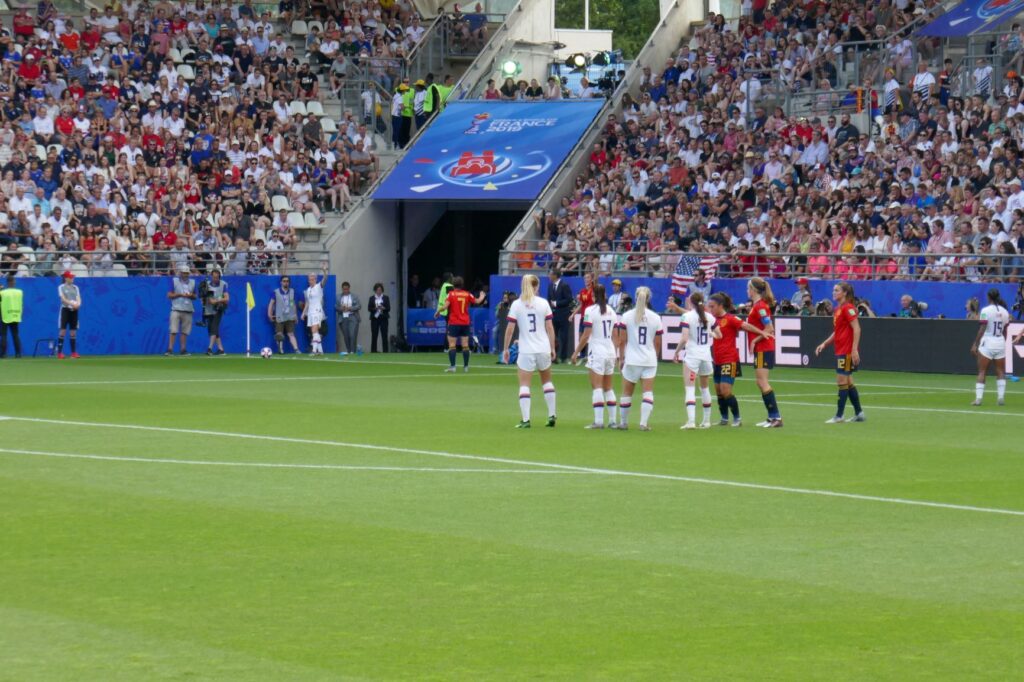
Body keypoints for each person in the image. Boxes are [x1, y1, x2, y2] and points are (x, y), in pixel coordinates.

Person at [707, 292, 770, 427]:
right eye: (709, 307)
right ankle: (724, 418)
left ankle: (737, 418)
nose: (710, 309)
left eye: (712, 306)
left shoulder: (730, 319)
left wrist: (762, 332)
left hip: (730, 359)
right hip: (717, 360)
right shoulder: (711, 320)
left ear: (720, 305)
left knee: (725, 390)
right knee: (718, 390)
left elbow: (746, 326)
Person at [502, 274, 557, 428]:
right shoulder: (543, 303)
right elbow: (550, 327)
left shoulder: (517, 305)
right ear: (536, 286)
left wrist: (506, 349)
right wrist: (552, 347)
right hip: (543, 348)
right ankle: (552, 415)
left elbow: (510, 329)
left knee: (524, 384)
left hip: (526, 350)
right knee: (547, 382)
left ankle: (526, 420)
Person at [815, 282, 866, 423]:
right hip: (841, 349)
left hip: (847, 350)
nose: (834, 292)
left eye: (837, 290)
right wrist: (824, 343)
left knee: (842, 381)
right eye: (833, 290)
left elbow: (857, 328)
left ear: (844, 293)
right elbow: (837, 332)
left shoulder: (848, 308)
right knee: (848, 381)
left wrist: (854, 349)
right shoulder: (839, 309)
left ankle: (839, 415)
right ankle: (859, 413)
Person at [570, 282, 620, 429]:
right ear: (605, 295)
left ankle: (598, 421)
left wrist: (576, 352)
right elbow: (616, 336)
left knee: (597, 387)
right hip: (610, 351)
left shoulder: (590, 311)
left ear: (592, 296)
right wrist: (615, 353)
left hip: (597, 352)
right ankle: (612, 421)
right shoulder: (612, 311)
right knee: (608, 387)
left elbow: (586, 335)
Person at [615, 286, 663, 431]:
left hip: (632, 359)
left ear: (636, 297)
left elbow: (622, 340)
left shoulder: (627, 316)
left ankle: (623, 422)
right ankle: (643, 423)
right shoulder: (655, 317)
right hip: (649, 360)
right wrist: (654, 356)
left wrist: (621, 358)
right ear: (649, 298)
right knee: (647, 392)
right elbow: (658, 342)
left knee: (626, 393)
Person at [672, 292, 721, 429]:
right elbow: (719, 334)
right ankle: (706, 421)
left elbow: (684, 338)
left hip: (692, 357)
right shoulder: (710, 317)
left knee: (690, 388)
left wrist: (676, 352)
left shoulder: (687, 316)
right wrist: (710, 334)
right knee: (705, 389)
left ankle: (691, 421)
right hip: (706, 356)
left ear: (690, 302)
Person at [747, 277, 783, 428]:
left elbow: (770, 328)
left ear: (754, 290)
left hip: (764, 347)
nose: (747, 291)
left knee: (762, 382)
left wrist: (755, 340)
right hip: (761, 348)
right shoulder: (756, 306)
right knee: (760, 382)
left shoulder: (760, 306)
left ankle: (776, 417)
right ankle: (771, 417)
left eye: (748, 288)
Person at [436, 276, 485, 372]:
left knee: (452, 345)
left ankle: (453, 366)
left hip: (454, 322)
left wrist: (438, 311)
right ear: (462, 285)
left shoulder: (451, 294)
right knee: (465, 345)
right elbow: (477, 301)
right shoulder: (467, 294)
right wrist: (482, 296)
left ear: (453, 285)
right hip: (465, 322)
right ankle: (466, 367)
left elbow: (445, 306)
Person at [971, 288, 1011, 406]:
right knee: (1000, 371)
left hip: (988, 341)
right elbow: (1005, 330)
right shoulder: (1005, 312)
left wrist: (975, 343)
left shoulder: (985, 310)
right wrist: (1003, 341)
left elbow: (982, 328)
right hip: (1000, 341)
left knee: (982, 371)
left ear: (989, 297)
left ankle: (978, 399)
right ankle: (1000, 397)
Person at [166, 267, 196, 356]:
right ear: (180, 273)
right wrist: (180, 294)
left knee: (185, 331)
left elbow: (195, 296)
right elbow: (169, 295)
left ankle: (183, 350)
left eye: (187, 273)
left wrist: (190, 295)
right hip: (176, 308)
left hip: (188, 309)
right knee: (173, 330)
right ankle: (170, 349)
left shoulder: (193, 282)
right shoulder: (174, 281)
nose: (185, 275)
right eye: (184, 273)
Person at [268, 275, 301, 354]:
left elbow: (293, 304)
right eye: (284, 281)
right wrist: (269, 314)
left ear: (289, 283)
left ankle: (296, 349)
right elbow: (271, 303)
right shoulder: (276, 292)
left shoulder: (292, 292)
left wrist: (295, 315)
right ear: (281, 282)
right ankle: (280, 349)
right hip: (279, 316)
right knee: (279, 334)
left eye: (287, 281)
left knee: (291, 334)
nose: (286, 283)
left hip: (290, 316)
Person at [547, 268, 574, 363]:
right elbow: (549, 299)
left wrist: (557, 303)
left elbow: (569, 299)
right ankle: (553, 356)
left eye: (550, 274)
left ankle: (563, 357)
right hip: (553, 315)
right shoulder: (550, 286)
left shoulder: (564, 285)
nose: (549, 276)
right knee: (552, 336)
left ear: (555, 275)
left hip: (563, 314)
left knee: (564, 336)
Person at [201, 269, 229, 356]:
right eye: (213, 277)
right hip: (209, 309)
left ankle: (209, 348)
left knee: (214, 327)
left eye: (217, 277)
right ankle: (221, 349)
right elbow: (204, 299)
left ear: (219, 277)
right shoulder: (207, 285)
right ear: (211, 277)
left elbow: (227, 299)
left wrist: (217, 300)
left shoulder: (223, 284)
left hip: (219, 308)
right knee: (212, 329)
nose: (215, 279)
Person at [302, 265, 329, 356]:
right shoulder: (308, 290)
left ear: (316, 279)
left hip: (317, 311)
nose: (311, 280)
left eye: (313, 278)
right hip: (310, 313)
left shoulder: (319, 286)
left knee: (314, 331)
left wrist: (324, 271)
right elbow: (307, 303)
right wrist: (303, 313)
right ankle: (321, 351)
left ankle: (314, 351)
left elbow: (325, 279)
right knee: (315, 332)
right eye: (310, 278)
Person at [57, 270, 81, 359]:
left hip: (74, 310)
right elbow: (63, 299)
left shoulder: (76, 287)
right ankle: (59, 353)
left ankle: (73, 353)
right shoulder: (61, 287)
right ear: (66, 278)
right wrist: (71, 304)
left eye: (72, 277)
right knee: (63, 330)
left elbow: (78, 298)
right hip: (65, 310)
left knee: (73, 332)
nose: (72, 278)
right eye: (71, 277)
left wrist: (78, 305)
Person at [572, 272, 595, 362]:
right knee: (581, 335)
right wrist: (573, 314)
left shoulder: (593, 290)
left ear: (592, 279)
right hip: (584, 316)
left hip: (591, 316)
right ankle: (582, 354)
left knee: (589, 335)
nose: (586, 279)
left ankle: (591, 353)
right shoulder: (582, 291)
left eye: (588, 277)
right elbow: (581, 305)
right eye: (585, 278)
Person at [0, 274, 23, 358]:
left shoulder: (2, 293)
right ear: (12, 282)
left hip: (5, 315)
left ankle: (3, 354)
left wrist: (1, 289)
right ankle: (18, 353)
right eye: (14, 281)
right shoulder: (19, 292)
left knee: (4, 335)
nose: (15, 282)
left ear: (7, 282)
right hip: (15, 315)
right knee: (15, 335)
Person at [336, 281, 361, 354]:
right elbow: (335, 307)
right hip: (343, 317)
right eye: (344, 289)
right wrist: (342, 308)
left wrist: (350, 308)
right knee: (346, 335)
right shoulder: (338, 297)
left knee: (352, 334)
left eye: (347, 289)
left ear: (349, 288)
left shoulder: (354, 296)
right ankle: (349, 350)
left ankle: (353, 351)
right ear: (342, 289)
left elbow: (359, 306)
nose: (345, 290)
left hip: (352, 316)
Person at [368, 283, 390, 353]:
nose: (379, 291)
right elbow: (369, 308)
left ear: (382, 290)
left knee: (384, 335)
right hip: (375, 319)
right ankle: (373, 351)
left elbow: (389, 308)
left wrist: (383, 308)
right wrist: (376, 308)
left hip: (383, 318)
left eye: (380, 290)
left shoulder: (386, 298)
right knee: (374, 335)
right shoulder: (372, 298)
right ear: (375, 290)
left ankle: (385, 351)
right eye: (377, 290)